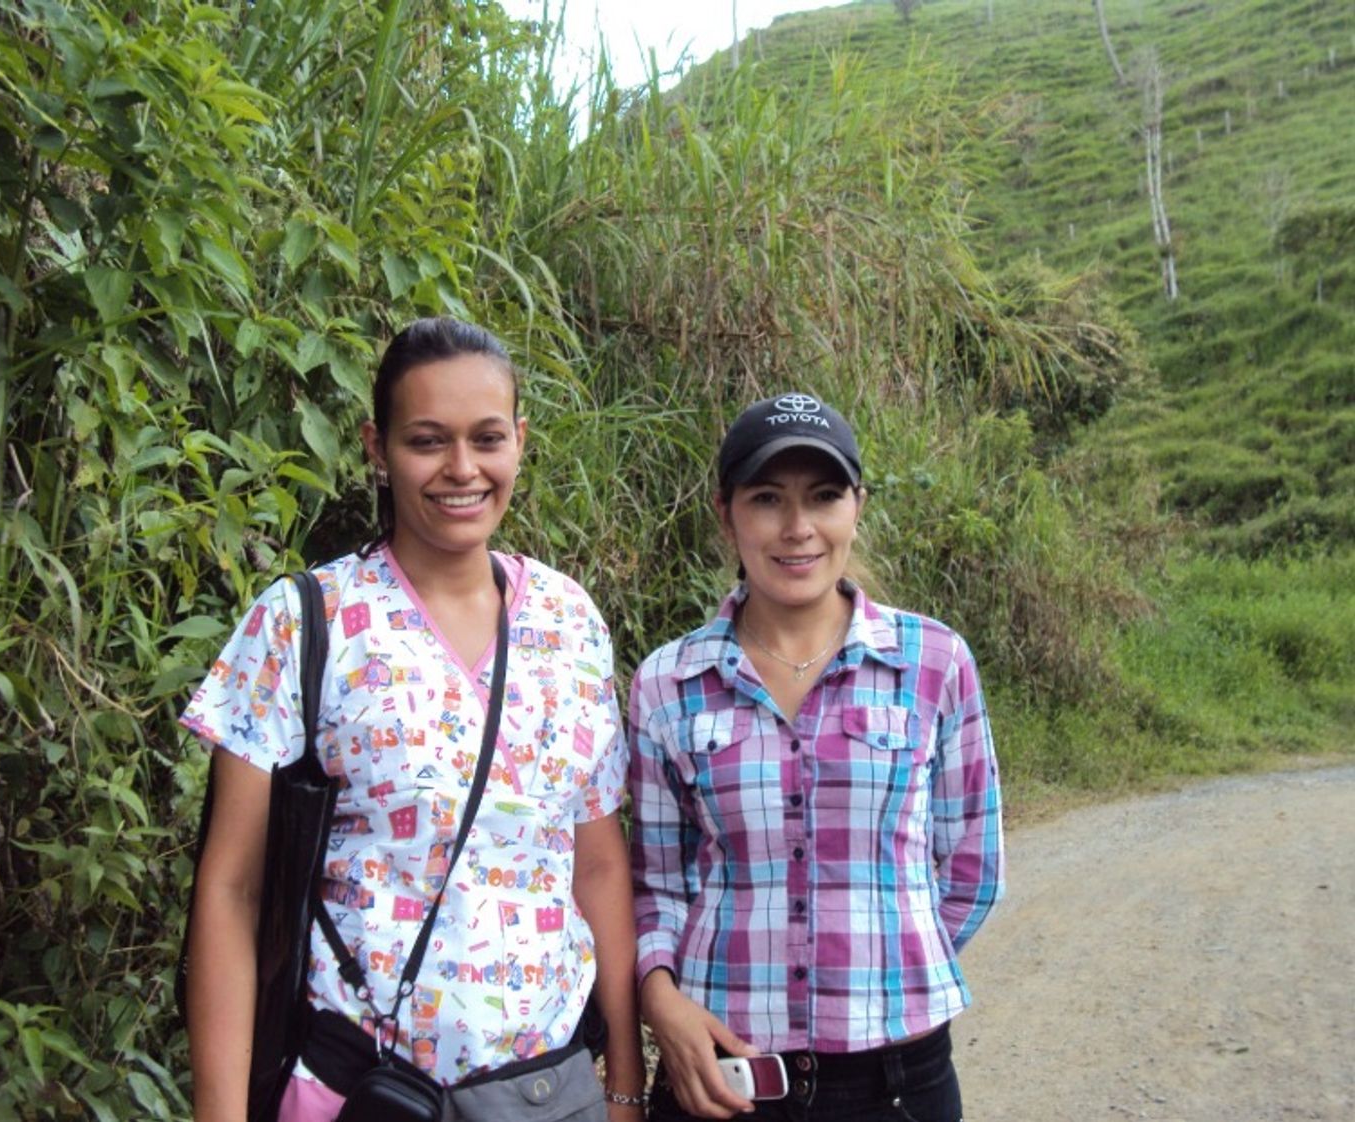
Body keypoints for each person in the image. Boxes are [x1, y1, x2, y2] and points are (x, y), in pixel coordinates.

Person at [180, 317, 645, 1122]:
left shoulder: (570, 622)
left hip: (549, 1091)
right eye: (427, 441)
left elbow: (598, 868)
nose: (462, 469)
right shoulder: (305, 623)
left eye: (487, 439)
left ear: (520, 441)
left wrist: (624, 1085)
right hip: (359, 1090)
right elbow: (232, 889)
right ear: (377, 447)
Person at [628, 393, 1004, 1122]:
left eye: (824, 496)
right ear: (726, 514)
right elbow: (657, 884)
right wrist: (660, 997)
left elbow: (972, 868)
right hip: (720, 1076)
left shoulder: (934, 662)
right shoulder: (667, 684)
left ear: (857, 506)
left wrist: (887, 967)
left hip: (897, 1084)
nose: (798, 528)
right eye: (767, 499)